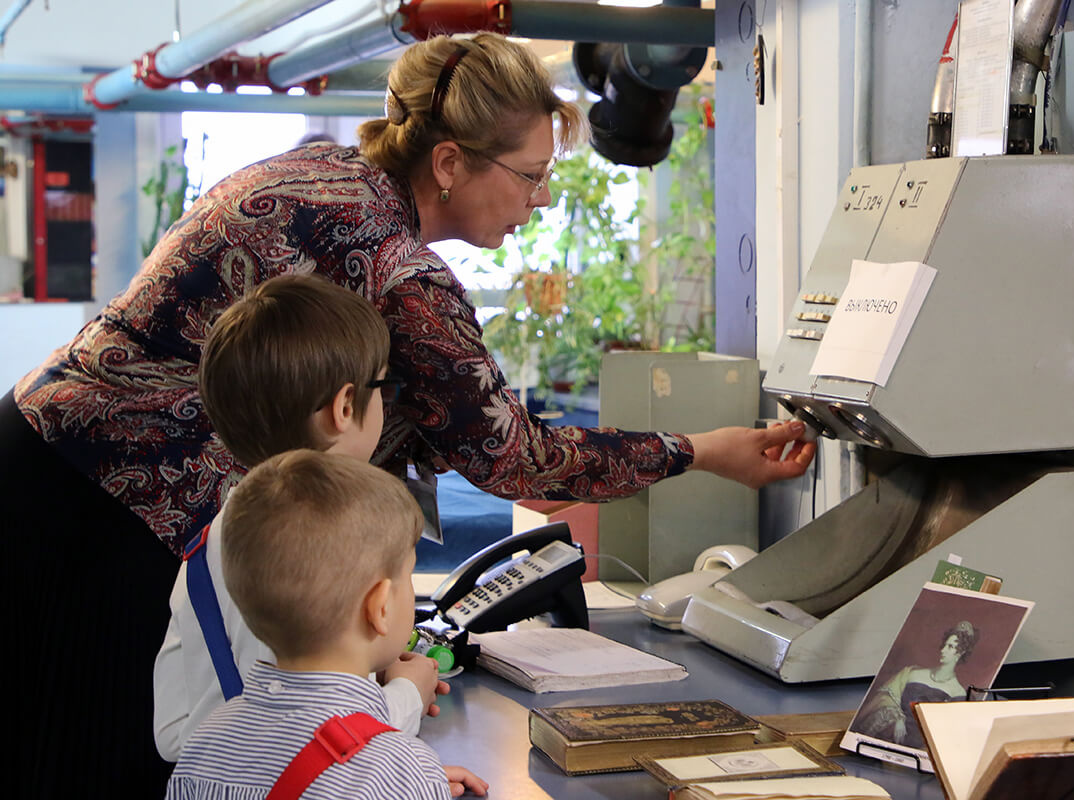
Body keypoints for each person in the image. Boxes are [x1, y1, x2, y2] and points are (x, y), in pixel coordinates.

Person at [1, 31, 816, 797]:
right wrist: (703, 450)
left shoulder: (327, 172)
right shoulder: (399, 271)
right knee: (91, 753)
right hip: (105, 503)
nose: (536, 201)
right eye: (529, 176)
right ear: (453, 162)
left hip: (41, 447)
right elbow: (512, 456)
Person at [153, 274, 448, 762]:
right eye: (384, 388)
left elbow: (172, 732)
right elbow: (305, 737)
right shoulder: (316, 546)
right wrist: (406, 697)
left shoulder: (207, 547)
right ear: (346, 406)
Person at [166, 449, 487, 799]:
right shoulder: (399, 768)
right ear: (379, 608)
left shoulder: (207, 740)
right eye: (407, 574)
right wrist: (411, 784)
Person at [854, 620, 978, 749]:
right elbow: (884, 700)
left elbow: (945, 731)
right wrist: (898, 718)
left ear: (960, 653)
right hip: (888, 734)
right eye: (945, 645)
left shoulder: (957, 693)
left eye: (950, 647)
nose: (943, 650)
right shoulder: (913, 673)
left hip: (918, 747)